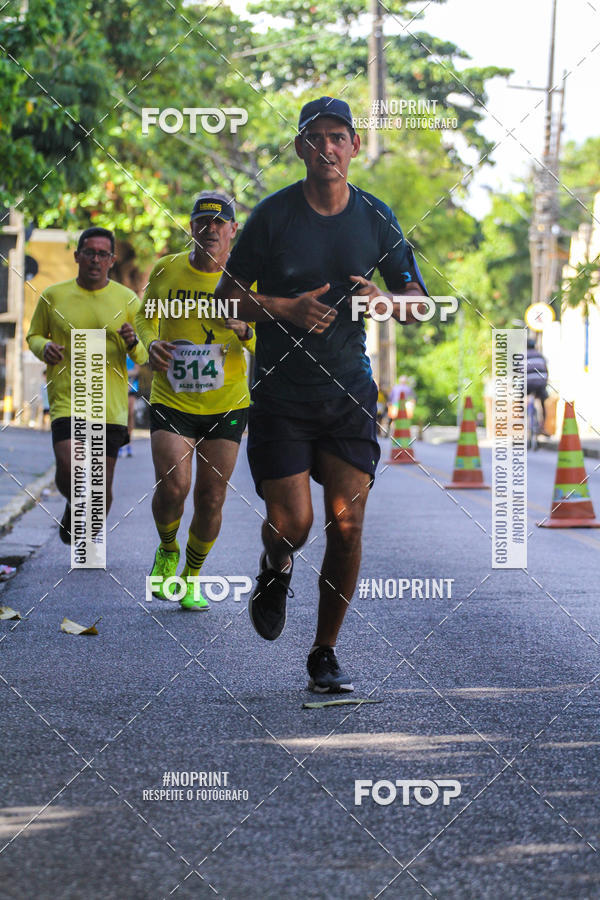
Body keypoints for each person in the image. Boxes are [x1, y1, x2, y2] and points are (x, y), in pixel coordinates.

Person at [214, 96, 428, 692]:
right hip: (281, 395)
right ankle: (275, 566)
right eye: (317, 137)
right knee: (294, 523)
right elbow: (225, 297)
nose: (328, 148)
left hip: (348, 393)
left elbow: (416, 298)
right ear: (302, 146)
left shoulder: (376, 218)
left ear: (354, 146)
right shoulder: (274, 216)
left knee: (348, 525)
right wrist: (283, 307)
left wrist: (386, 302)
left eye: (339, 137)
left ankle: (324, 654)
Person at [135, 191, 255, 611]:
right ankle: (167, 548)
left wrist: (246, 330)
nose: (211, 230)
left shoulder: (247, 278)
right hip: (172, 397)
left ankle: (192, 575)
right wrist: (149, 346)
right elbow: (143, 317)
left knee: (211, 497)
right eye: (203, 223)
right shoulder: (168, 269)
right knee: (174, 486)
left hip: (227, 403)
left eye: (220, 223)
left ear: (233, 230)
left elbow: (270, 333)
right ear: (191, 227)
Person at [27, 226, 147, 544]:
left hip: (109, 406)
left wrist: (133, 341)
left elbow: (145, 351)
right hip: (68, 398)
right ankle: (74, 502)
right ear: (77, 255)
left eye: (102, 254)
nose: (95, 259)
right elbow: (34, 335)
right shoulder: (54, 295)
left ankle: (87, 534)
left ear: (112, 259)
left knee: (100, 488)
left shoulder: (127, 300)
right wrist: (44, 348)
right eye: (89, 252)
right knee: (72, 467)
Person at [526, 336, 549, 434]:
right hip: (540, 384)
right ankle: (543, 427)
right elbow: (546, 371)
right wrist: (545, 382)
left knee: (520, 402)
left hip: (527, 384)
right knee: (543, 403)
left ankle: (520, 426)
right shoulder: (540, 356)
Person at [119, 356, 141, 458]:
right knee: (118, 415)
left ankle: (128, 443)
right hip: (118, 386)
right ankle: (119, 444)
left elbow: (136, 370)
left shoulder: (133, 346)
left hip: (132, 386)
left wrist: (124, 375)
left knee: (130, 414)